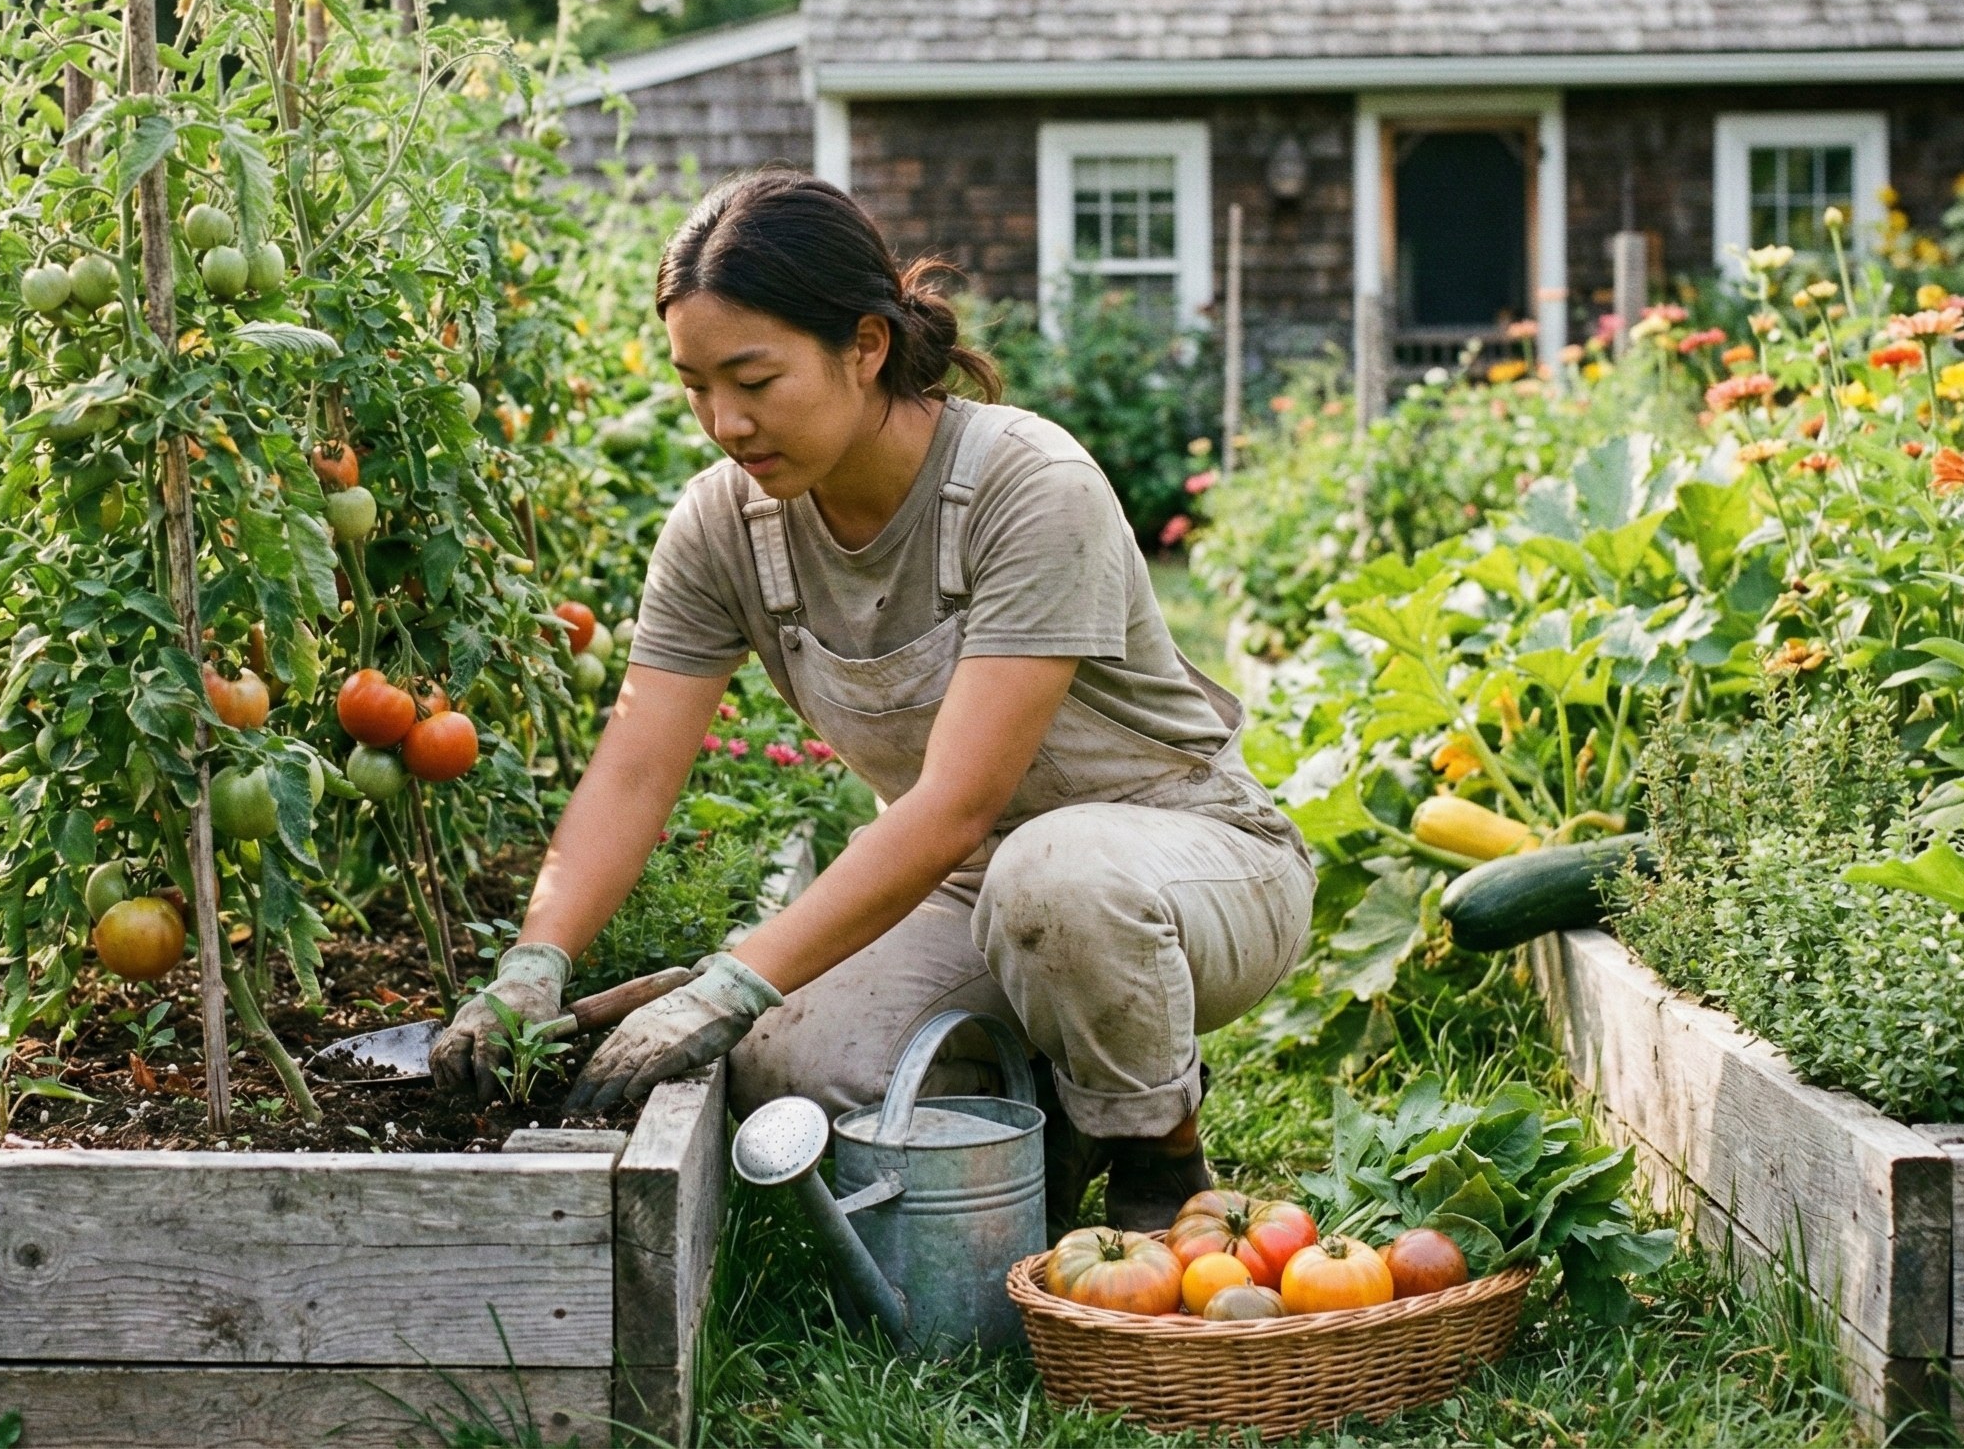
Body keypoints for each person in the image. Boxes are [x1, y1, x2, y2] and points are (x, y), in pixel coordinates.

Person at [428, 171, 1313, 1232]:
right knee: (796, 1063)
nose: (723, 422)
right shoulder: (723, 528)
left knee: (1057, 879)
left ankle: (1157, 1160)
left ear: (864, 345)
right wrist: (537, 960)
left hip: (1191, 867)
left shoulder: (1025, 488)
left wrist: (732, 976)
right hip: (966, 893)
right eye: (694, 385)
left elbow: (953, 806)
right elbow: (633, 766)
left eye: (753, 378)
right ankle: (1055, 1109)